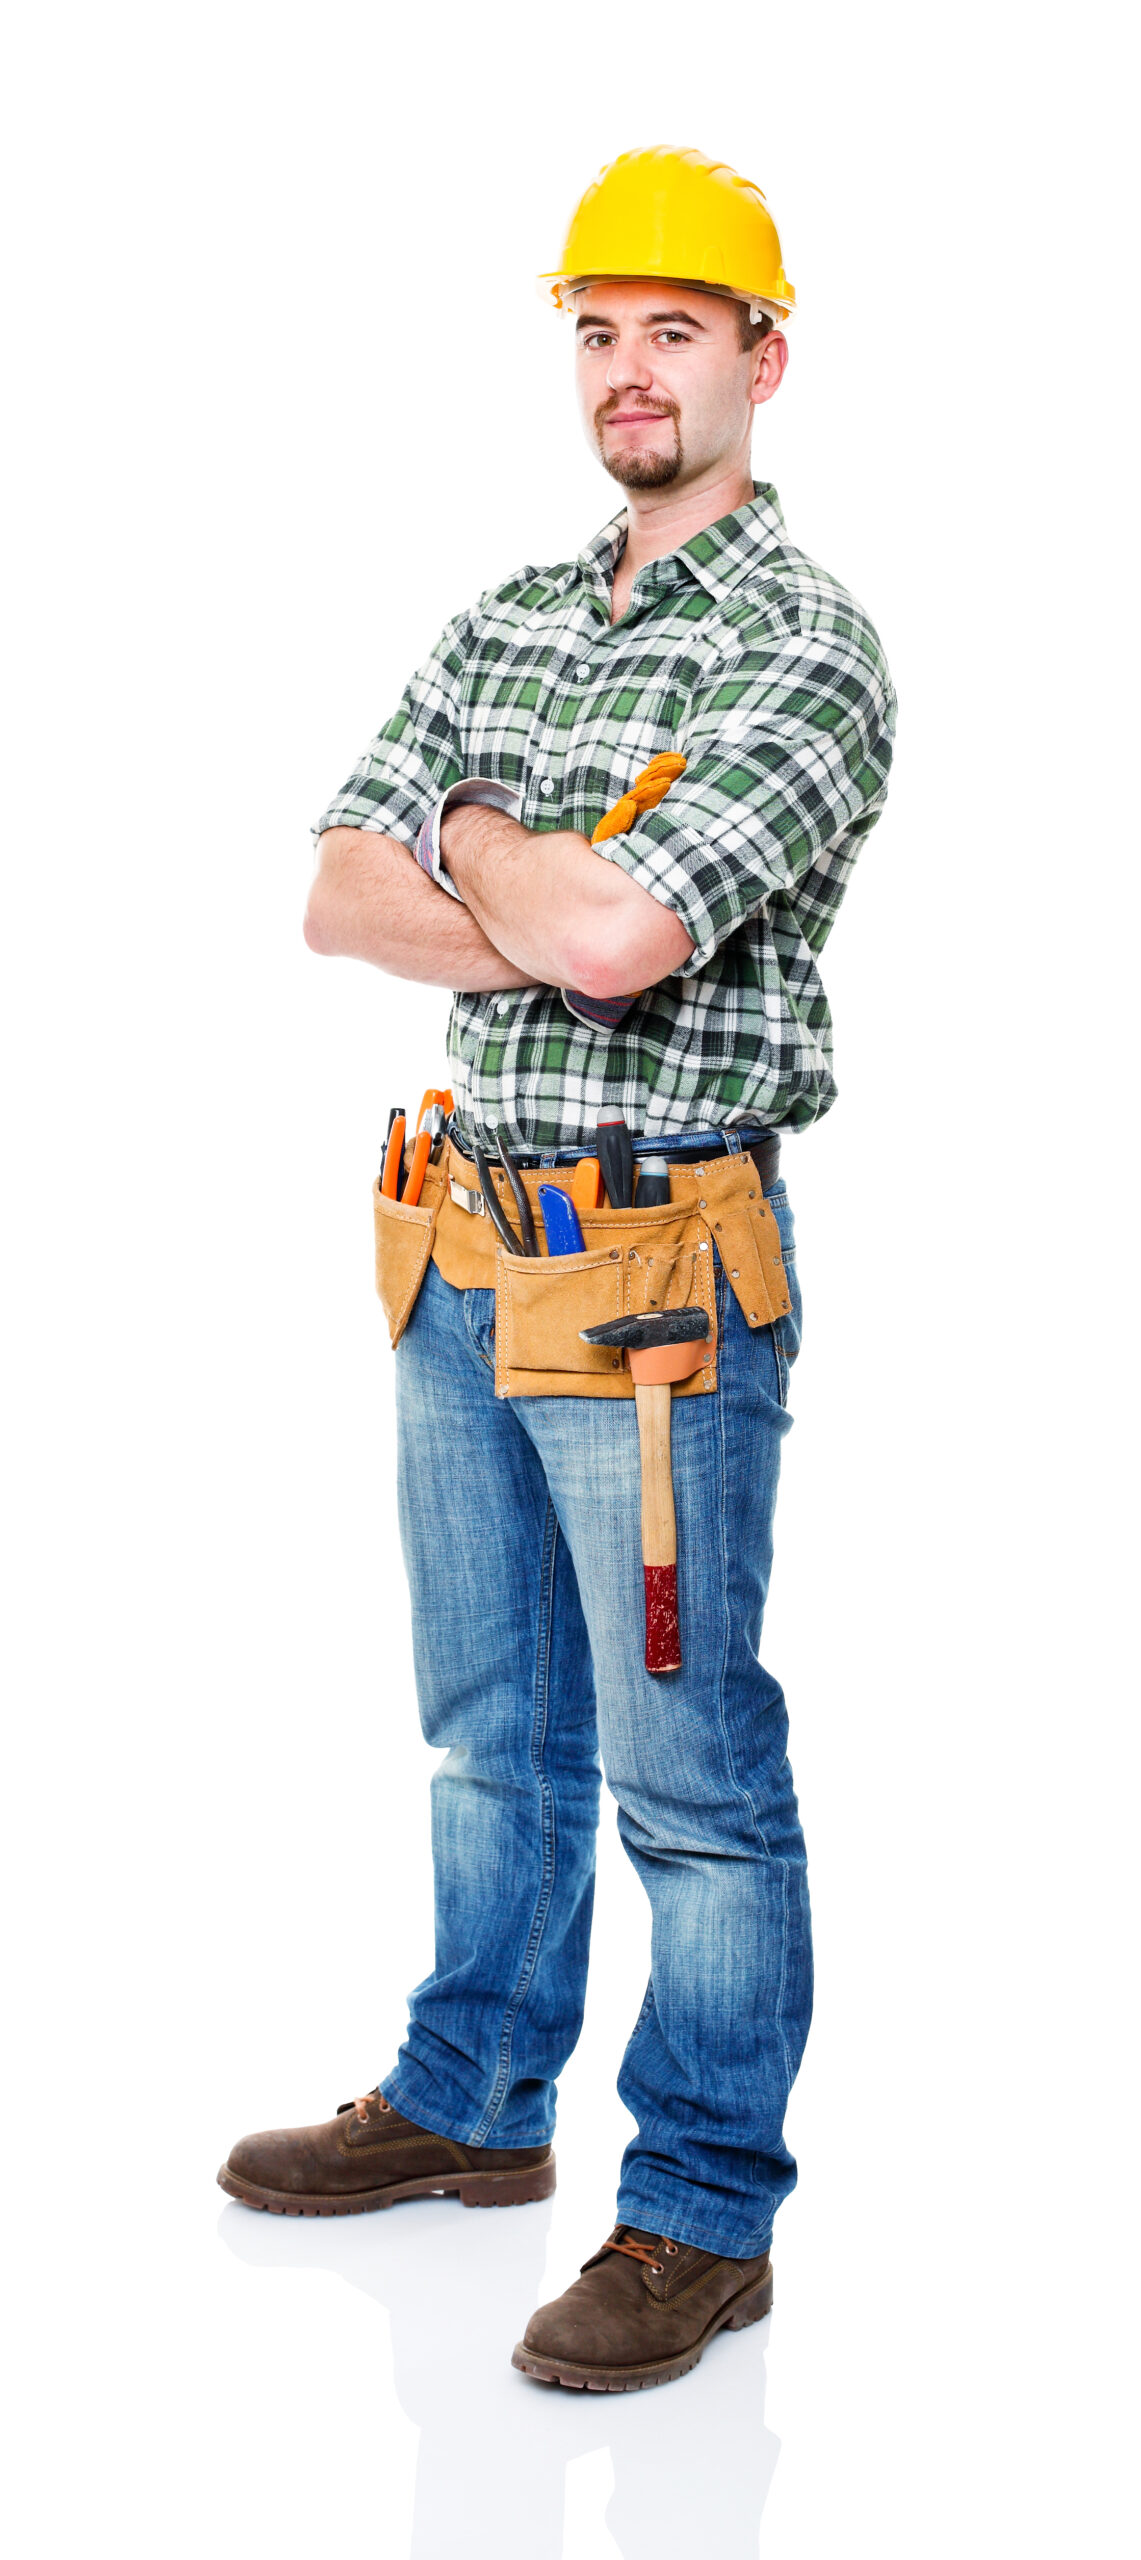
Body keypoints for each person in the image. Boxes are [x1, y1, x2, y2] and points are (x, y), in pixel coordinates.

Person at [219, 145, 896, 2394]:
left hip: (658, 1274)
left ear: (763, 360)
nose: (627, 369)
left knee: (687, 1769)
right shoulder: (504, 611)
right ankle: (474, 2095)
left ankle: (700, 2210)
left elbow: (613, 939)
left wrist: (479, 835)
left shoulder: (807, 647)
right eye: (597, 330)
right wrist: (542, 884)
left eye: (672, 330)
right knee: (486, 1731)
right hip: (454, 1239)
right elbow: (334, 897)